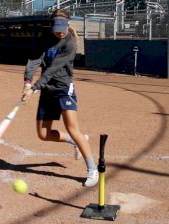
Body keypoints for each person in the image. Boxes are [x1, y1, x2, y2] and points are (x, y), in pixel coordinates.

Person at [21, 9, 98, 187]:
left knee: (72, 127)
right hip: (47, 90)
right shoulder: (44, 38)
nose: (60, 32)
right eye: (56, 28)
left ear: (68, 25)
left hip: (64, 88)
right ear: (52, 26)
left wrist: (34, 88)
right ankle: (77, 141)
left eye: (62, 28)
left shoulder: (70, 42)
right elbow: (34, 60)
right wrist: (27, 82)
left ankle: (92, 169)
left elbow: (52, 69)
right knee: (43, 134)